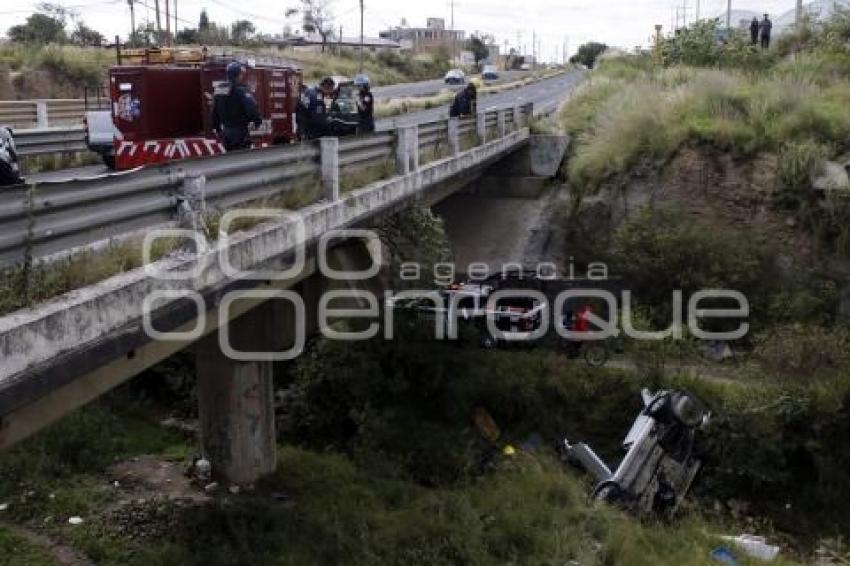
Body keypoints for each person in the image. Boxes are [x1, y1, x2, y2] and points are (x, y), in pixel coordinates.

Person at [211, 61, 262, 151]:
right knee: (242, 158)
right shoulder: (241, 90)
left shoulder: (219, 90)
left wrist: (218, 130)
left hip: (226, 132)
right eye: (241, 75)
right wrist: (257, 122)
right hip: (240, 131)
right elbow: (252, 108)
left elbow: (214, 113)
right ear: (239, 75)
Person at [296, 76, 336, 141]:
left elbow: (301, 110)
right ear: (327, 87)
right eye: (331, 89)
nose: (330, 93)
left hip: (302, 128)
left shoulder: (308, 91)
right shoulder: (318, 97)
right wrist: (327, 121)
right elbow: (318, 119)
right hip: (311, 132)